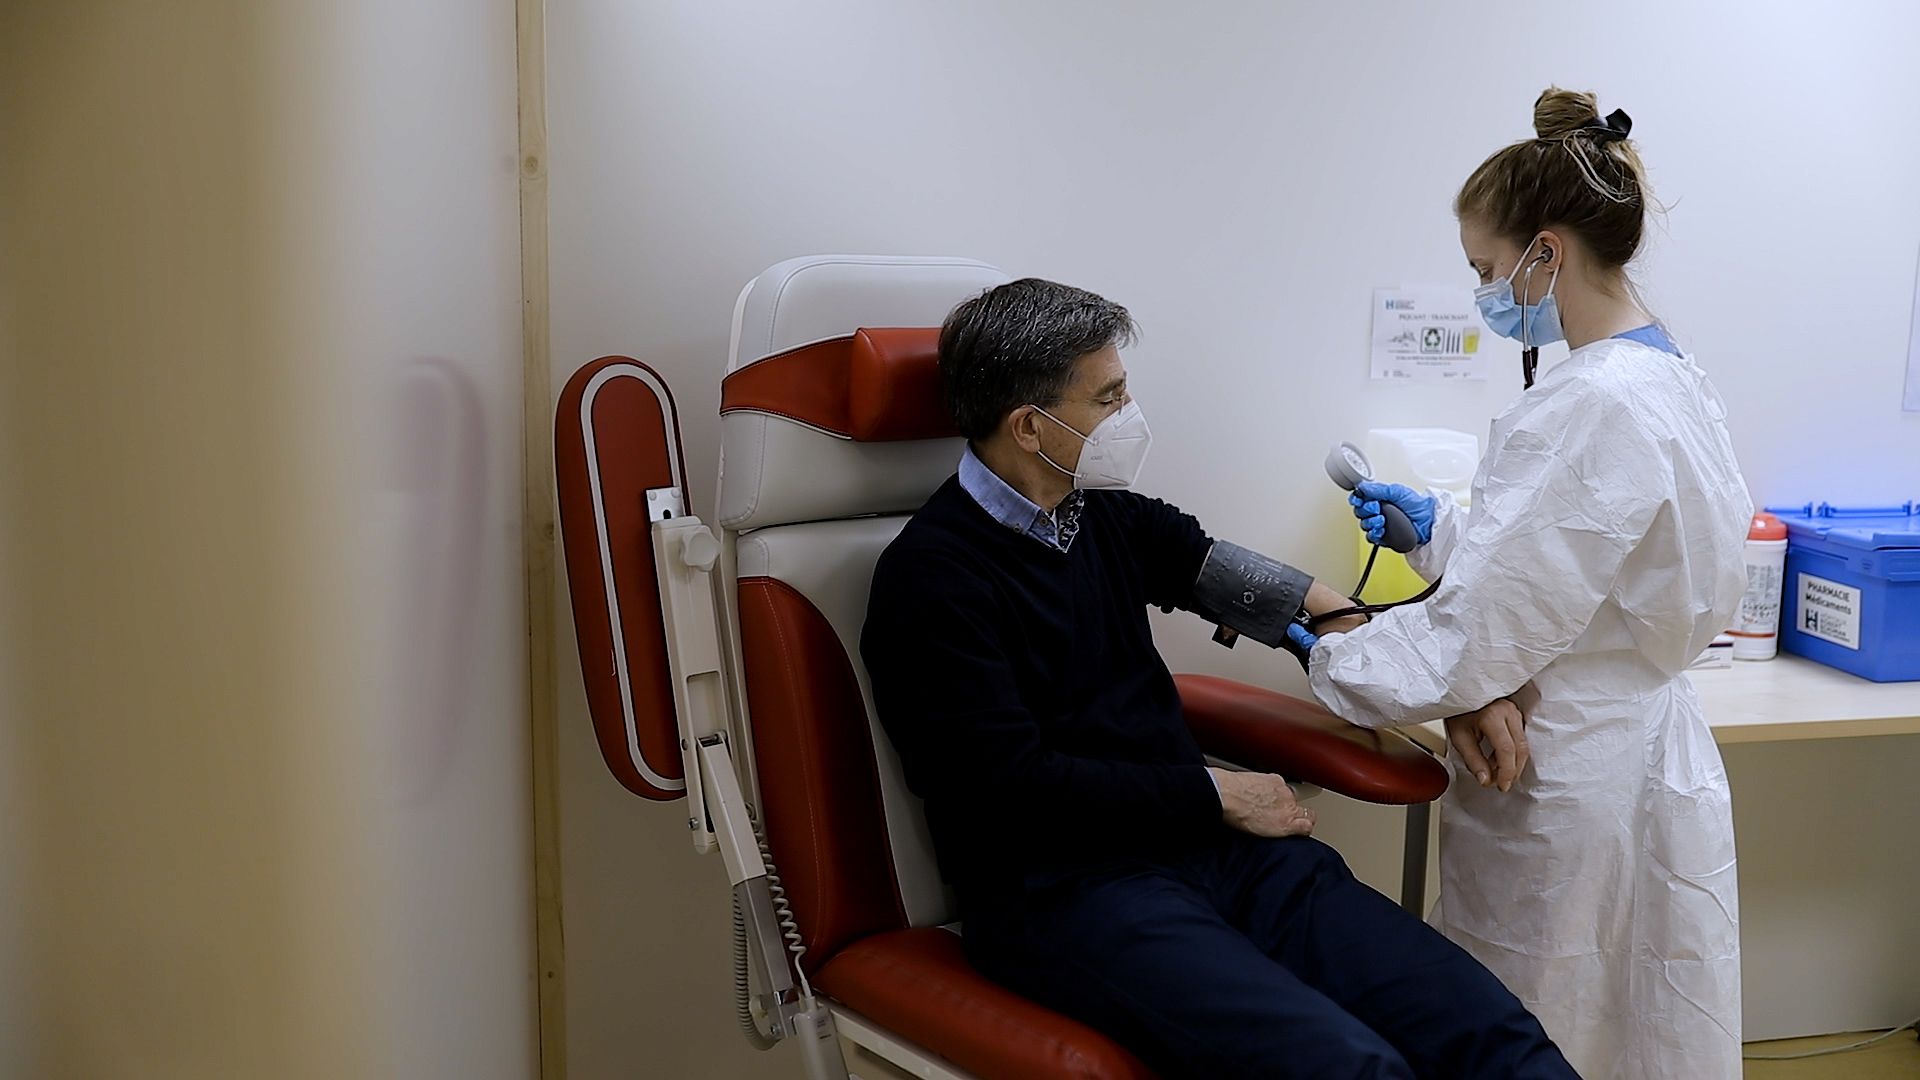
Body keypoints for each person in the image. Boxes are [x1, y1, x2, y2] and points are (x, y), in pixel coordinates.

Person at [861, 277, 1578, 1079]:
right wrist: (1215, 794)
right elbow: (1008, 789)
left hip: (1212, 850)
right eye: (1109, 397)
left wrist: (1445, 682)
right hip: (1066, 890)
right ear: (1030, 426)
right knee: (1352, 1068)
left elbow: (1263, 588)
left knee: (1485, 1028)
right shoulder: (932, 580)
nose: (1131, 415)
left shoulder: (1101, 515)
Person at [1308, 88, 1753, 1079]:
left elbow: (1477, 637)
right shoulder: (1666, 373)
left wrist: (1331, 647)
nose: (1483, 290)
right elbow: (1581, 566)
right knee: (1647, 1016)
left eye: (1485, 269)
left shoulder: (1590, 401)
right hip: (1644, 745)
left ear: (1544, 253)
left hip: (1563, 766)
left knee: (1537, 1023)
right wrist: (1443, 535)